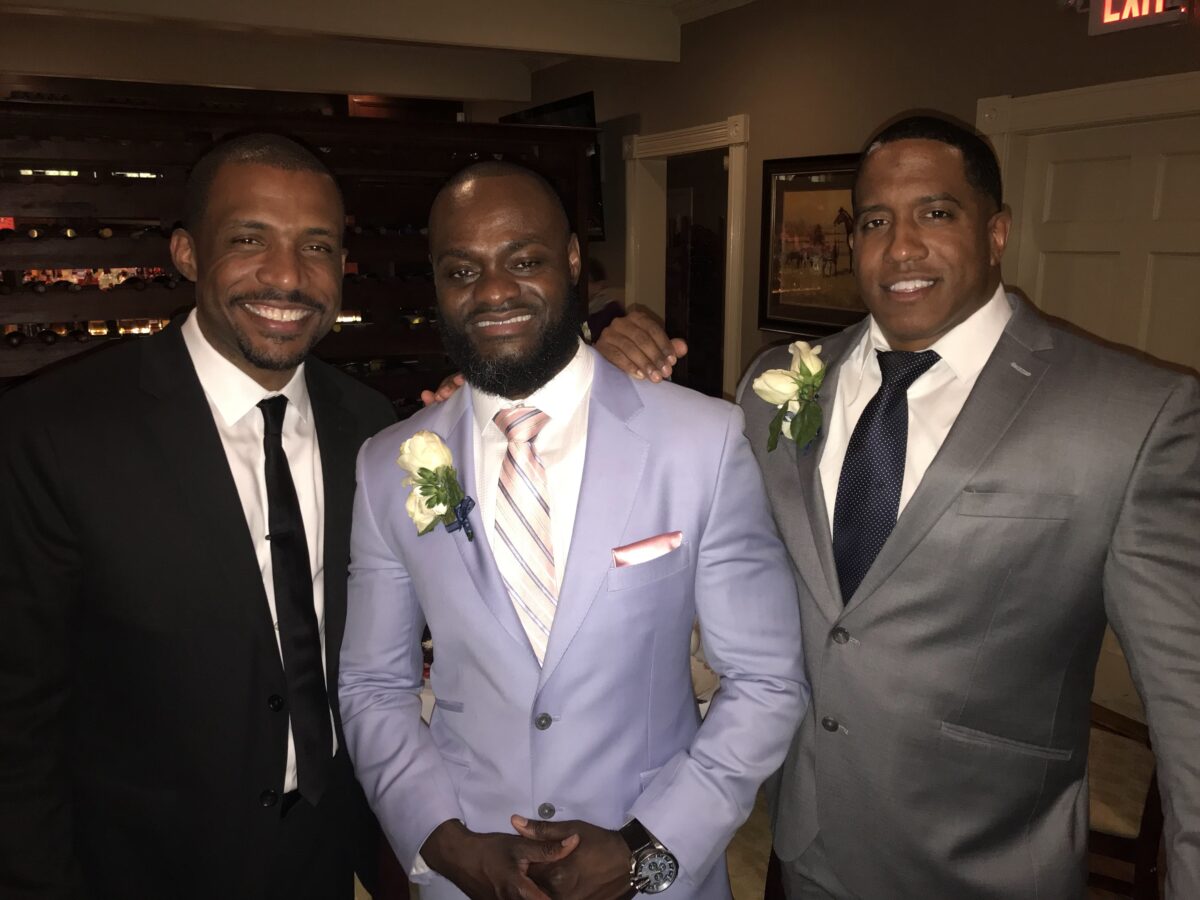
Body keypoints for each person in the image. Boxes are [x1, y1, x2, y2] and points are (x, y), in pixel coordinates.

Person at [594, 115, 1200, 898]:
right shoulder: (773, 384)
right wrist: (602, 382)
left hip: (989, 867)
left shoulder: (1131, 415)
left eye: (936, 213)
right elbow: (674, 522)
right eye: (875, 221)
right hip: (802, 847)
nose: (901, 246)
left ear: (997, 233)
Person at [338, 161, 807, 900]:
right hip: (470, 876)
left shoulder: (701, 442)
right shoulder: (385, 467)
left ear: (575, 263)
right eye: (463, 269)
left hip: (657, 877)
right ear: (437, 283)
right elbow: (372, 685)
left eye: (524, 260)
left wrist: (646, 854)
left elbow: (767, 681)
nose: (493, 290)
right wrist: (446, 847)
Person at [0, 133, 395, 899]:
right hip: (135, 869)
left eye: (317, 245)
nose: (288, 274)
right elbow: (14, 720)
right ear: (186, 253)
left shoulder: (372, 427)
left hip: (326, 856)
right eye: (250, 239)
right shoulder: (56, 434)